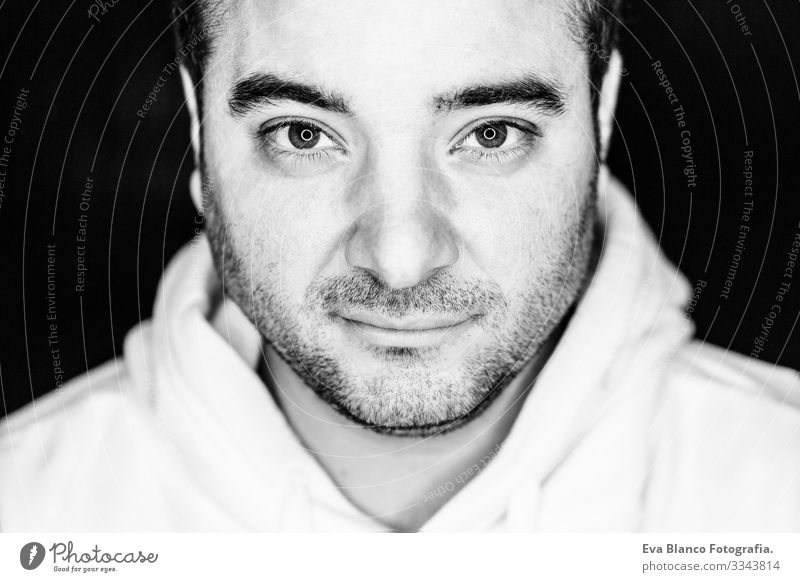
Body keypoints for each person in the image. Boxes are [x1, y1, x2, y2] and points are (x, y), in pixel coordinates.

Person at [1, 0, 798, 532]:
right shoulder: (24, 510)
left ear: (602, 114)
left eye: (492, 133)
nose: (401, 259)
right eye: (302, 134)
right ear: (201, 135)